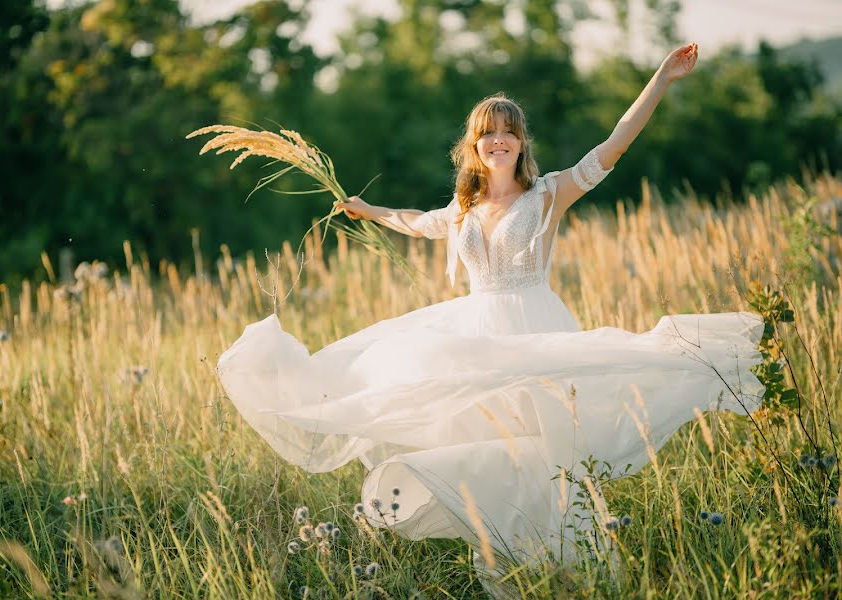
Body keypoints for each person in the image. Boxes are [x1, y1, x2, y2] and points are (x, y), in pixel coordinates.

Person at [217, 42, 765, 596]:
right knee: (490, 445)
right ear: (474, 146)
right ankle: (505, 556)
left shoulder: (550, 194)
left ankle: (571, 558)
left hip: (536, 327)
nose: (498, 140)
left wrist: (663, 78)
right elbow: (415, 221)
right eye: (487, 132)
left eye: (508, 131)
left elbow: (615, 143)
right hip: (476, 335)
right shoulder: (463, 209)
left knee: (548, 449)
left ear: (520, 142)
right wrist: (366, 209)